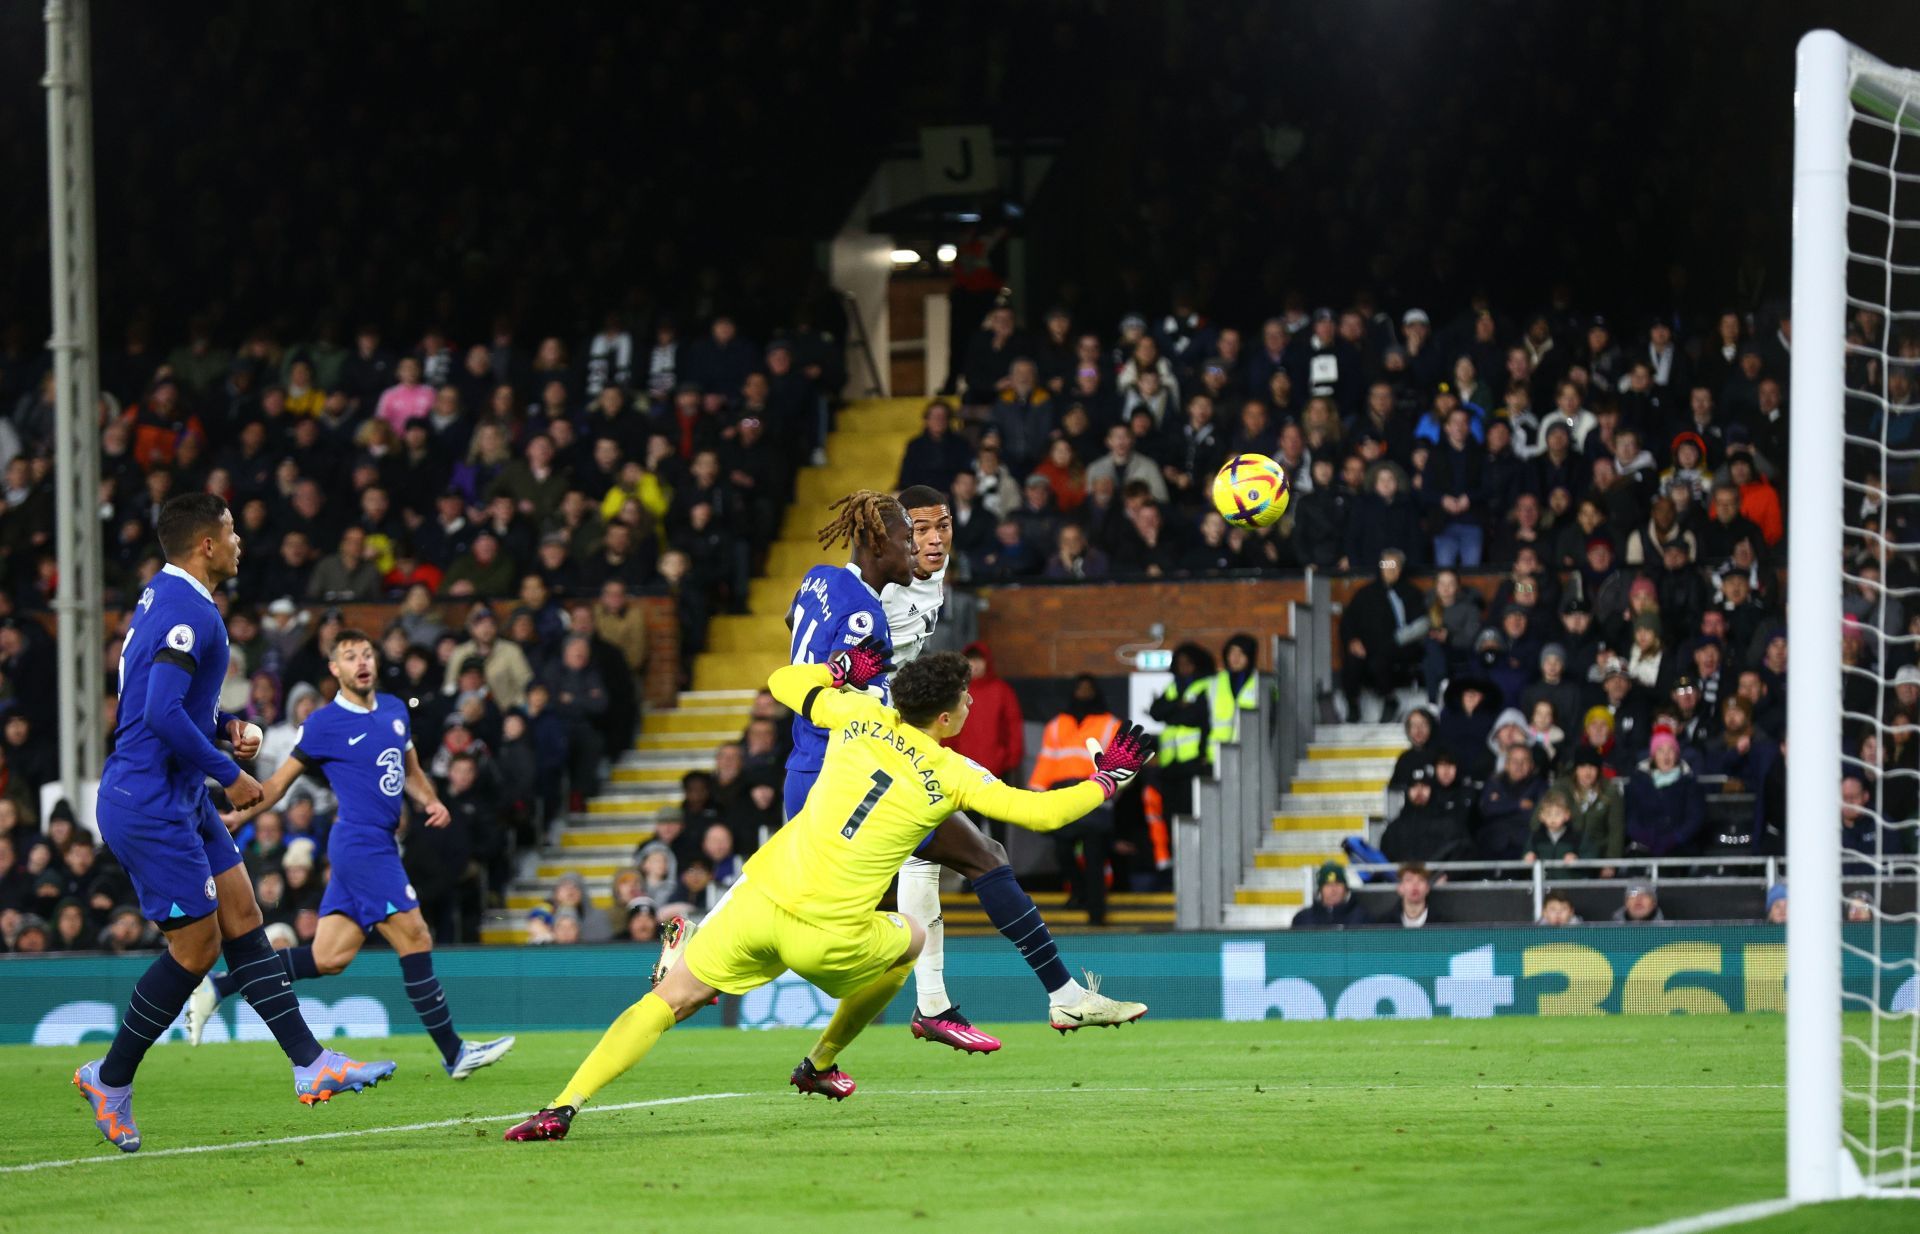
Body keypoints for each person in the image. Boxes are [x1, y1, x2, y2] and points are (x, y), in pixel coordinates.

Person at [502, 644, 1156, 1141]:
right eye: (968, 700)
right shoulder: (954, 772)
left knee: (668, 1001)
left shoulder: (858, 714)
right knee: (915, 940)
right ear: (949, 714)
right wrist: (1110, 779)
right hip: (829, 936)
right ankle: (819, 1060)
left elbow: (785, 683)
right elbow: (1038, 815)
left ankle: (562, 1106)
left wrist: (839, 667)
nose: (974, 706)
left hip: (762, 898)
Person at [78, 495, 394, 1153]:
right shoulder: (190, 611)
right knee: (197, 950)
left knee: (244, 916)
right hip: (149, 803)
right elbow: (161, 715)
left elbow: (164, 697)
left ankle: (310, 1063)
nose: (239, 540)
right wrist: (230, 771)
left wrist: (227, 724)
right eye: (229, 530)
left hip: (177, 792)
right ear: (206, 546)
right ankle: (109, 1079)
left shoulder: (164, 598)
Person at [875, 486, 1147, 1050]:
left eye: (943, 525)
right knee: (977, 858)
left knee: (923, 867)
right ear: (893, 534)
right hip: (859, 752)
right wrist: (1108, 781)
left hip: (887, 750)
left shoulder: (929, 582)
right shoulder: (872, 587)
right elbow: (1041, 814)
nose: (934, 538)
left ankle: (933, 1005)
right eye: (920, 528)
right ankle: (1058, 997)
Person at [191, 629, 515, 1080]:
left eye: (366, 653)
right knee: (416, 937)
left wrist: (431, 801)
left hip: (376, 844)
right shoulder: (325, 723)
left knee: (328, 958)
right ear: (335, 669)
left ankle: (220, 985)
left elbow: (412, 772)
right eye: (350, 656)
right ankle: (455, 1052)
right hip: (361, 846)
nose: (361, 661)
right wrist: (239, 818)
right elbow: (280, 784)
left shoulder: (396, 711)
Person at [1290, 861, 1369, 928]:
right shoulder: (1303, 919)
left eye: (1337, 884)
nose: (1333, 890)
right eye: (1328, 885)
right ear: (1320, 890)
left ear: (1346, 889)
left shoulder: (1362, 918)